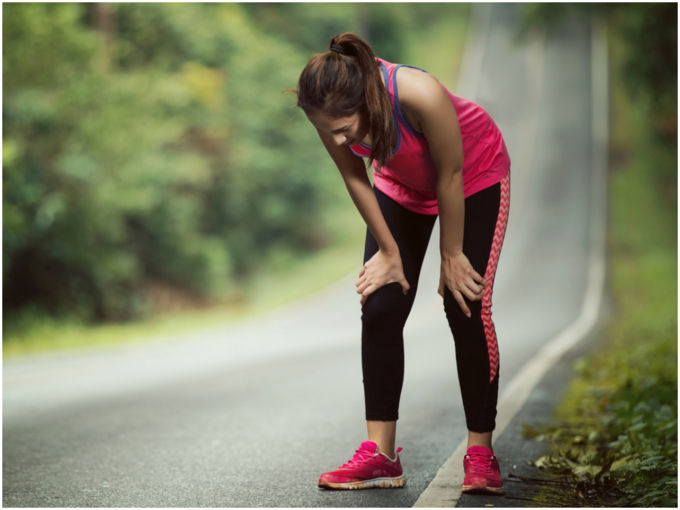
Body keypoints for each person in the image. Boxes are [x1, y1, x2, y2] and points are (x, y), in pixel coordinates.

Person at [290, 32, 511, 494]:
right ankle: (381, 457)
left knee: (464, 303)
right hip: (400, 185)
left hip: (473, 176)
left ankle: (480, 452)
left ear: (366, 101)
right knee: (380, 304)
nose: (335, 137)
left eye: (344, 128)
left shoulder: (418, 94)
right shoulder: (326, 110)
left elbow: (450, 173)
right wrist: (390, 253)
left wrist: (451, 255)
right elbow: (356, 176)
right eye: (325, 129)